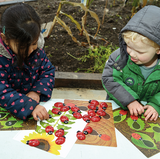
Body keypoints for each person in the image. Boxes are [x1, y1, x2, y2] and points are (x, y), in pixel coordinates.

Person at [102, 5, 160, 121]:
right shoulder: (118, 58)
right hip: (118, 108)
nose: (132, 54)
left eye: (139, 51)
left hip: (148, 116)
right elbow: (109, 79)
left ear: (158, 50)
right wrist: (129, 100)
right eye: (128, 46)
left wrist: (156, 105)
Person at [0, 3, 55, 121]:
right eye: (23, 46)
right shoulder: (1, 59)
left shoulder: (37, 52)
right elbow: (2, 91)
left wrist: (36, 91)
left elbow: (48, 71)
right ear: (5, 39)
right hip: (6, 111)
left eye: (34, 43)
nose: (30, 50)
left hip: (34, 107)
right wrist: (29, 105)